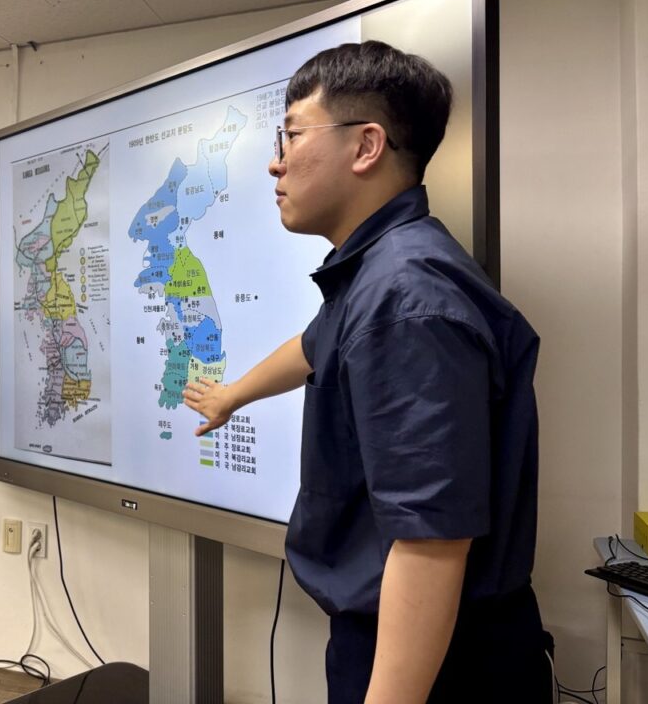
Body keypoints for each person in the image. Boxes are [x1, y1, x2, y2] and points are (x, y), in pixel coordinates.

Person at [183, 41, 550, 704]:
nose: (275, 162)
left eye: (292, 135)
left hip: (440, 661)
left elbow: (430, 543)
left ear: (366, 145)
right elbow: (313, 345)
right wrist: (231, 396)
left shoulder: (404, 297)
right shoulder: (381, 272)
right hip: (417, 641)